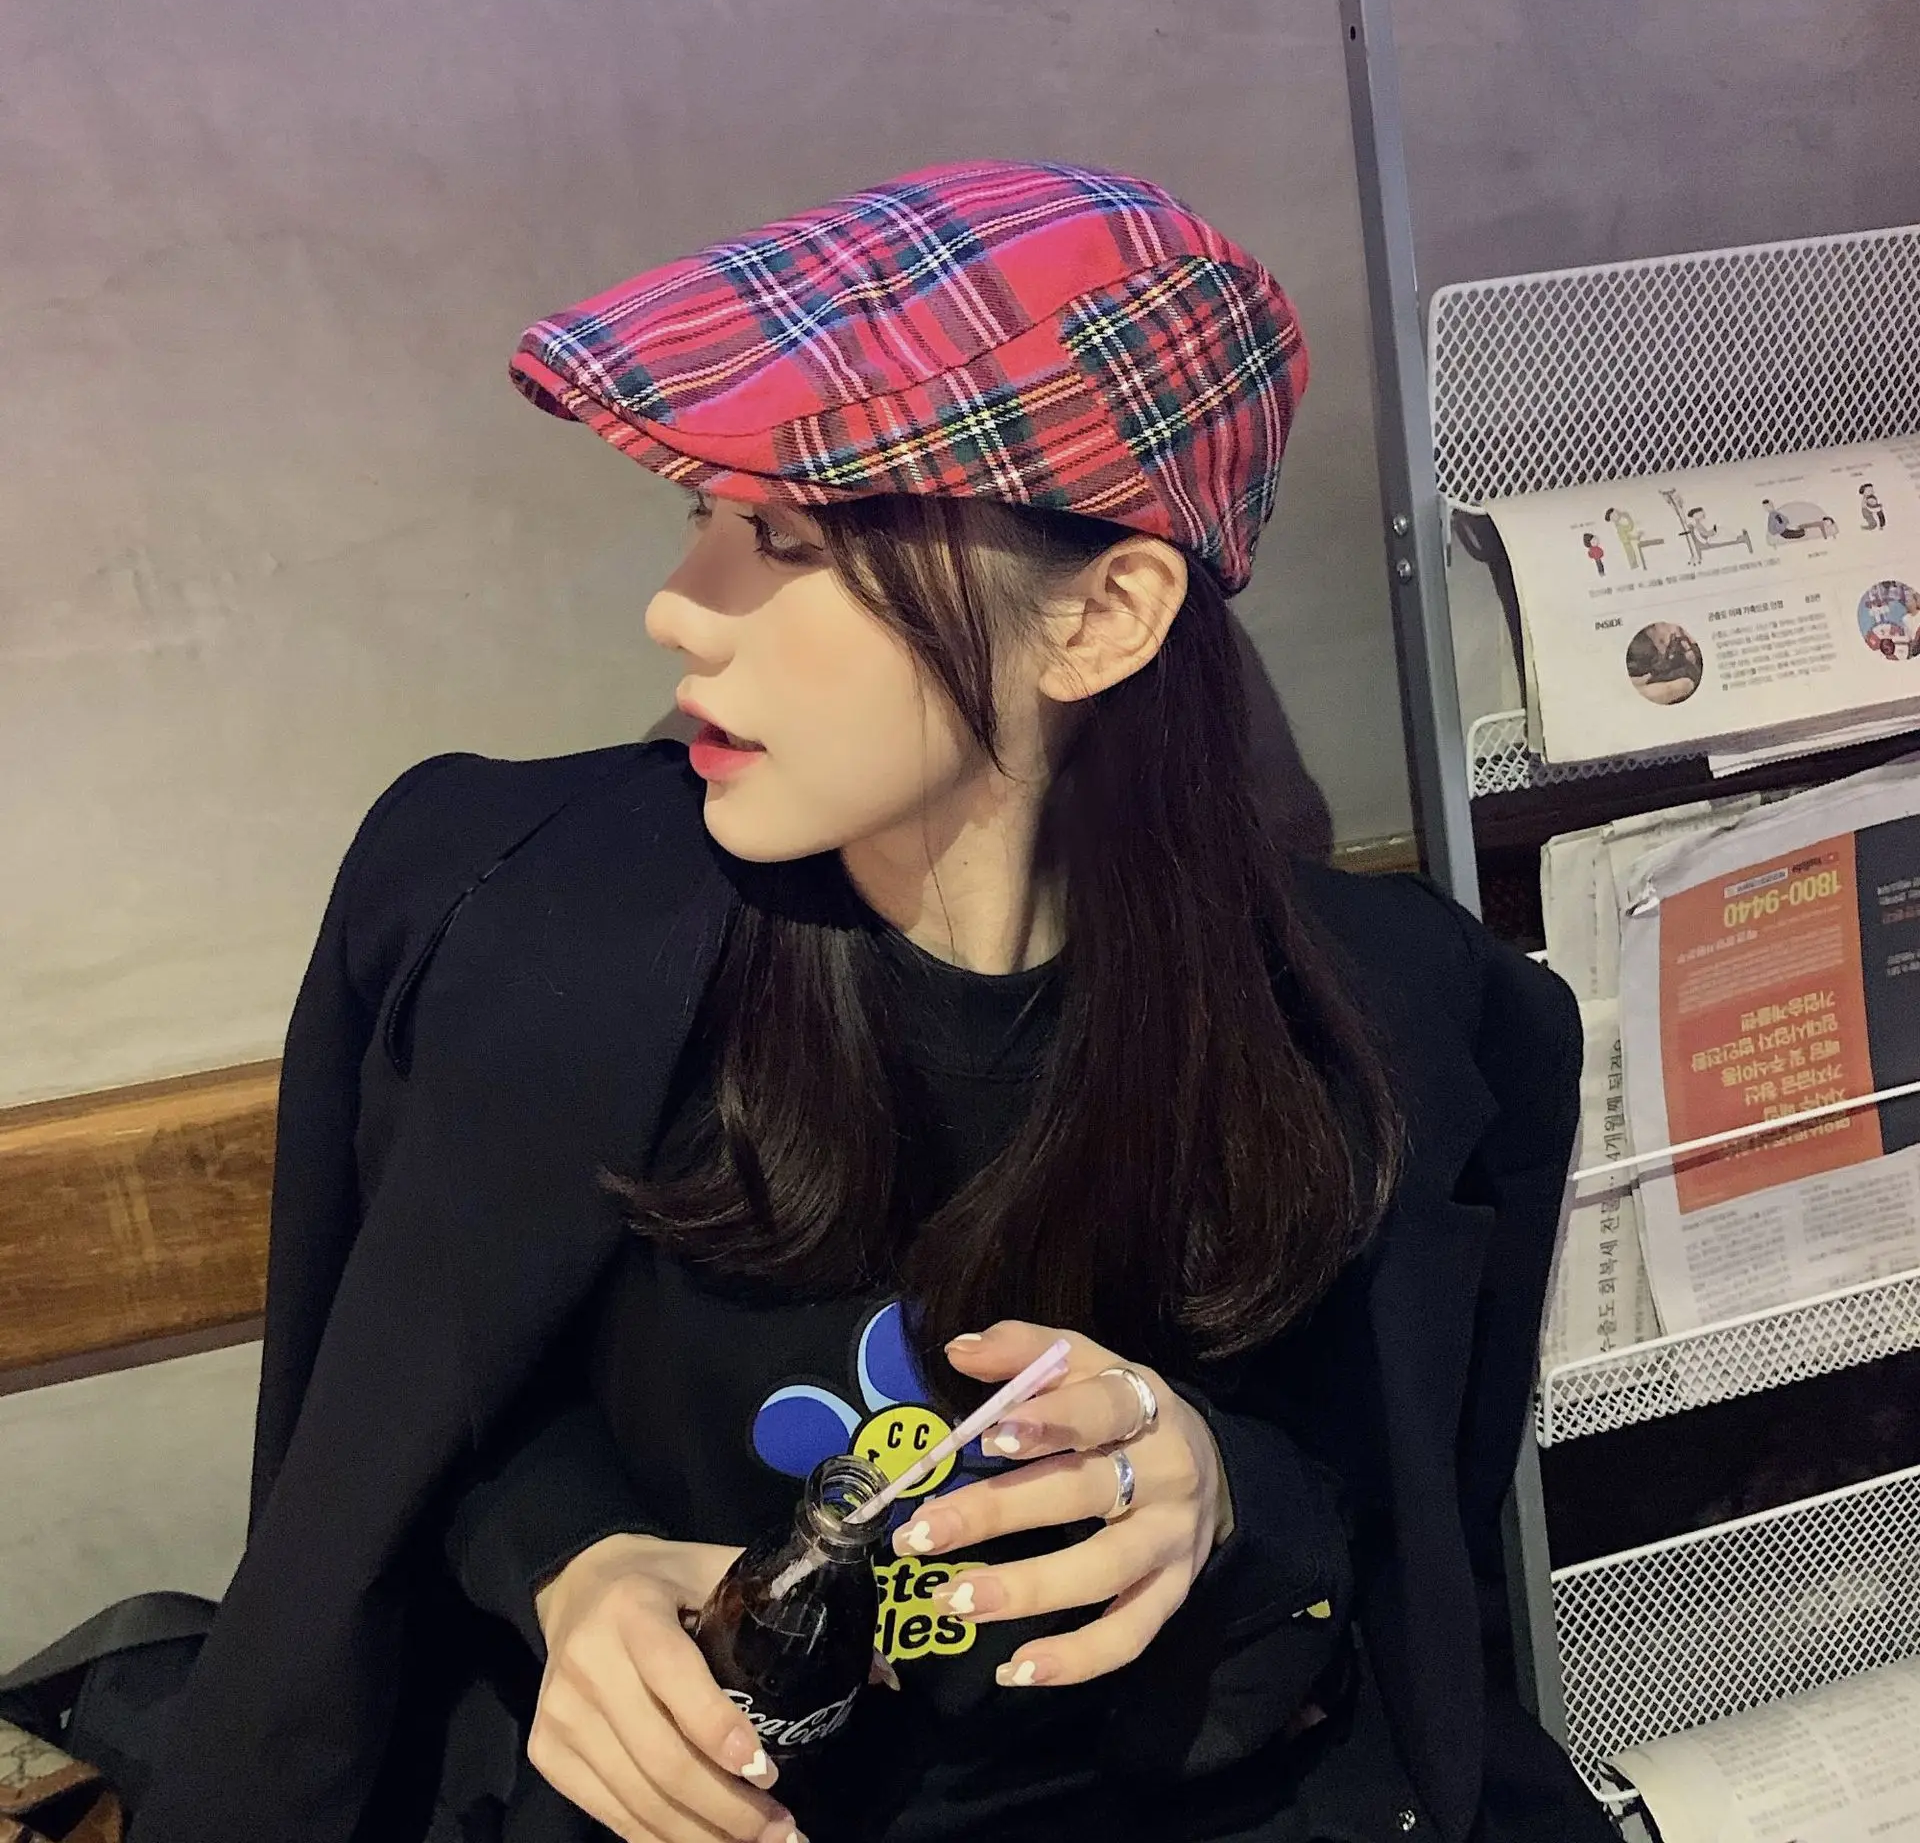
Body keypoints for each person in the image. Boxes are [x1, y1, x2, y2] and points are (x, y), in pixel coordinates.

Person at [132, 162, 1606, 1843]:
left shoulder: (1381, 1021)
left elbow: (1396, 1559)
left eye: (788, 540)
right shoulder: (533, 927)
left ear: (1102, 616)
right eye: (701, 519)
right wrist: (571, 1563)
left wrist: (1215, 1486)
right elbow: (406, 1420)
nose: (676, 609)